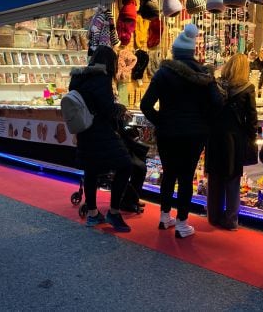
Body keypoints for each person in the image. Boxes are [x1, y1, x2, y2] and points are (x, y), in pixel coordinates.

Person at [140, 24, 223, 238]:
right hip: (194, 134)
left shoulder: (163, 74)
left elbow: (146, 105)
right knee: (186, 177)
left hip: (168, 133)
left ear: (175, 53)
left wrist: (162, 121)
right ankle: (182, 224)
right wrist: (204, 122)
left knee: (169, 174)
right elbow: (217, 102)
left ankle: (164, 216)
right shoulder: (204, 74)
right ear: (192, 51)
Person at [68, 45, 133, 232]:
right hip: (100, 132)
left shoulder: (78, 78)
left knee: (91, 169)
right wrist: (120, 110)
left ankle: (93, 213)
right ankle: (113, 211)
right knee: (125, 165)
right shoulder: (101, 78)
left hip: (84, 131)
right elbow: (106, 108)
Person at [205, 53, 258, 231]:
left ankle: (213, 216)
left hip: (214, 136)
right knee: (232, 179)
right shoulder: (247, 88)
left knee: (215, 177)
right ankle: (231, 219)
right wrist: (251, 138)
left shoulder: (216, 85)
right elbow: (252, 118)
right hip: (234, 139)